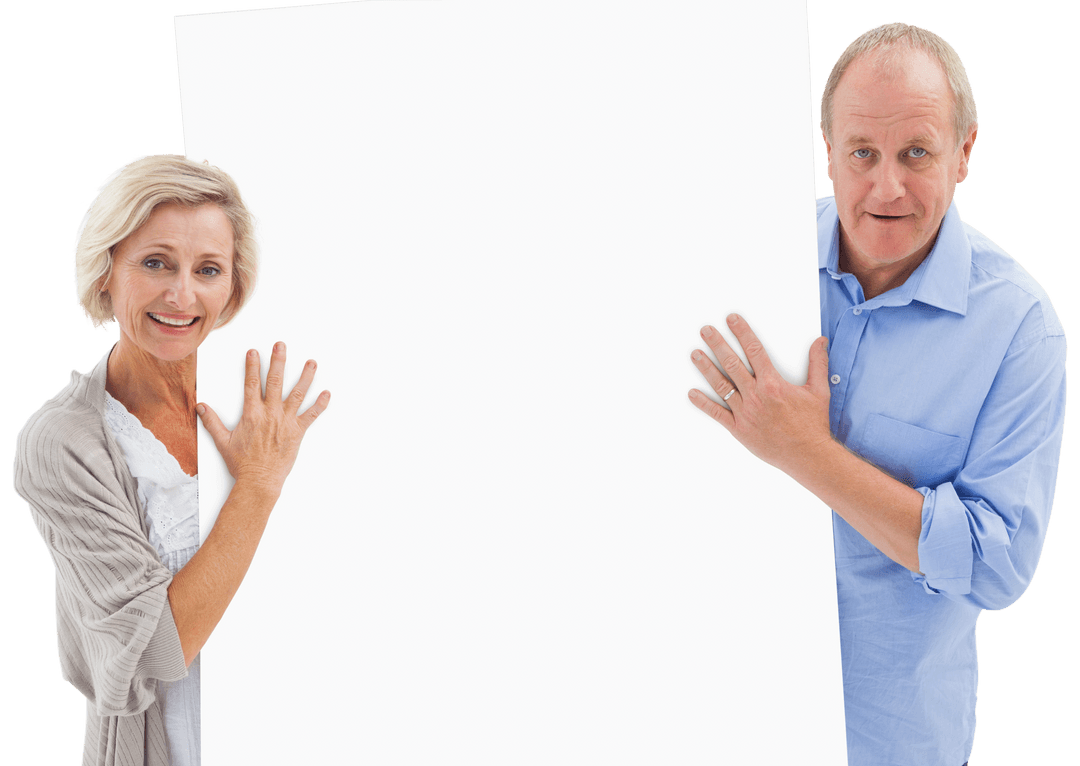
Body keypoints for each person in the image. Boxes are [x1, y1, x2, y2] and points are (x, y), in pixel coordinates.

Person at [688, 22, 1066, 766]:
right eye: (862, 153)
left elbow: (996, 565)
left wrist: (806, 453)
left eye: (916, 153)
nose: (886, 186)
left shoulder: (1021, 331)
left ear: (964, 152)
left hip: (892, 742)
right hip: (720, 713)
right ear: (827, 150)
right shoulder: (748, 262)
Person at [12, 154, 330, 766]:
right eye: (155, 262)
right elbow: (147, 650)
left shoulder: (257, 408)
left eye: (207, 269)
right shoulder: (63, 444)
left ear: (232, 287)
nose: (182, 295)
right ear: (107, 271)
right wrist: (258, 485)